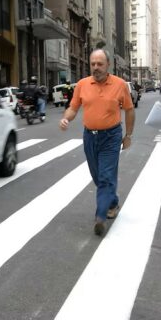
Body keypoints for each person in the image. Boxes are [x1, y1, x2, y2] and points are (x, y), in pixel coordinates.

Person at [59, 49, 135, 237]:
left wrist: (128, 136)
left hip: (111, 136)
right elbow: (73, 107)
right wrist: (66, 118)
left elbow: (129, 110)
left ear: (107, 65)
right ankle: (112, 202)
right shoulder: (83, 84)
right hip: (90, 137)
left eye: (100, 64)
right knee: (97, 175)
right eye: (93, 64)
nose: (96, 67)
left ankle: (100, 217)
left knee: (106, 176)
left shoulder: (119, 84)